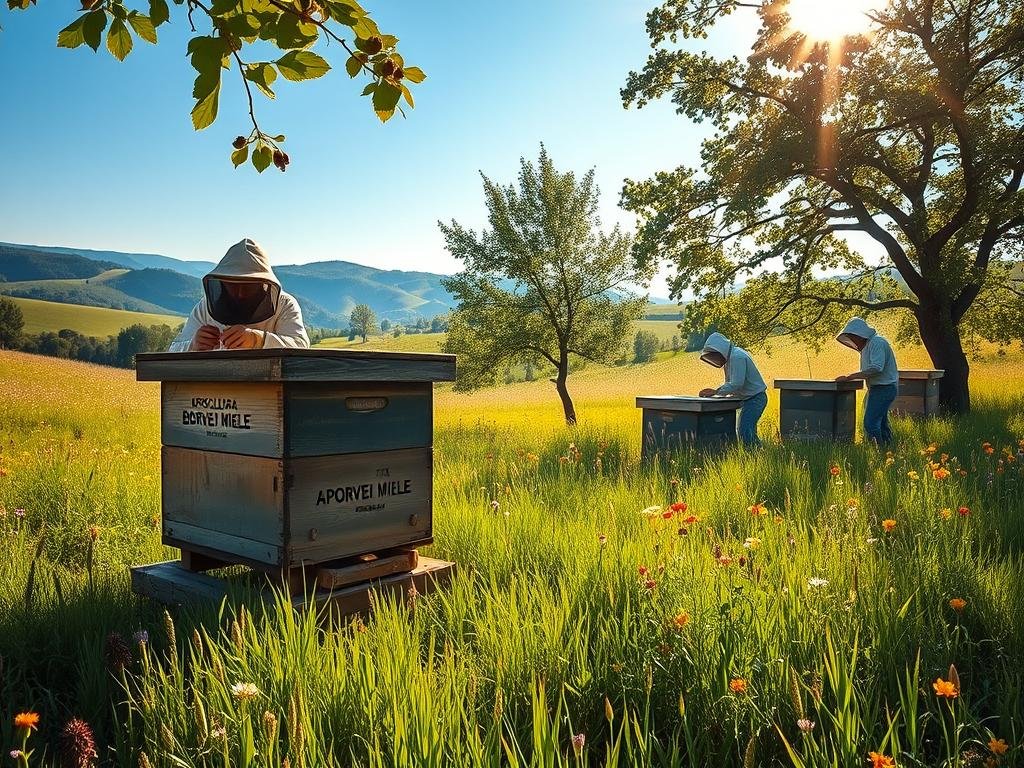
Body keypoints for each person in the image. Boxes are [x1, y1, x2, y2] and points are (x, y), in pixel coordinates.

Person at [168, 238, 310, 351]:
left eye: (248, 287)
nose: (240, 294)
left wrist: (258, 340)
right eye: (233, 286)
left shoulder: (284, 305)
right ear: (222, 282)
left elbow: (300, 346)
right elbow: (173, 350)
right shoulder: (206, 307)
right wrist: (193, 345)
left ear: (263, 284)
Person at [835, 316, 898, 445]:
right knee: (881, 423)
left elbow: (876, 368)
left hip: (884, 387)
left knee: (870, 423)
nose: (853, 341)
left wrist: (850, 377)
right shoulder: (868, 345)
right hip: (879, 388)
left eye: (853, 338)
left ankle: (877, 450)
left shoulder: (877, 343)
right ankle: (888, 448)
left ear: (859, 334)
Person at [698, 332, 768, 446]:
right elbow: (731, 384)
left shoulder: (737, 357)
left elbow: (736, 384)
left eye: (714, 356)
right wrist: (719, 394)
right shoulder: (731, 357)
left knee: (745, 432)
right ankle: (757, 454)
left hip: (755, 399)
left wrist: (716, 392)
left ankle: (754, 455)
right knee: (747, 431)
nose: (715, 359)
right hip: (749, 399)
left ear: (720, 349)